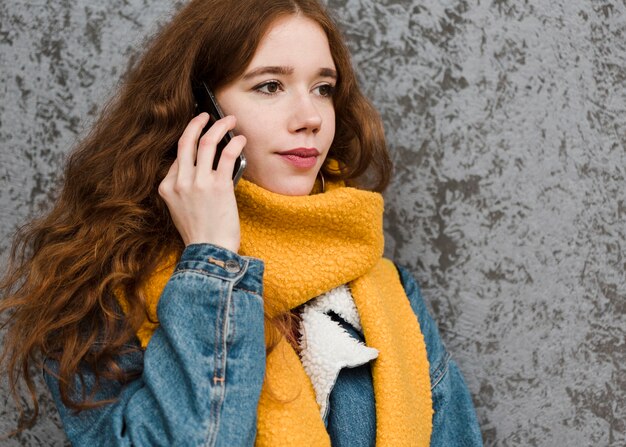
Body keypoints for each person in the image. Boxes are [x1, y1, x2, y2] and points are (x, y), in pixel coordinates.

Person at [0, 0, 483, 445]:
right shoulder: (105, 296)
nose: (310, 116)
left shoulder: (388, 291)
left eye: (323, 88)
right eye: (270, 85)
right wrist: (211, 261)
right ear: (198, 112)